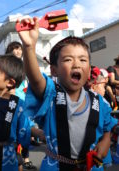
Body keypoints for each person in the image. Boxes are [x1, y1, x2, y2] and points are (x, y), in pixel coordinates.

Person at [17, 17, 117, 171]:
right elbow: (36, 80)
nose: (76, 64)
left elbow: (109, 127)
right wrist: (29, 47)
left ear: (89, 69)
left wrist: (105, 141)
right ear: (54, 70)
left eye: (83, 60)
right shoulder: (50, 95)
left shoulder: (99, 101)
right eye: (68, 60)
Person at [0, 31, 36, 171]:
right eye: (14, 49)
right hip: (4, 100)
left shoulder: (24, 68)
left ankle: (24, 157)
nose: (17, 51)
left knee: (17, 131)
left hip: (17, 105)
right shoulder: (3, 66)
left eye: (19, 48)